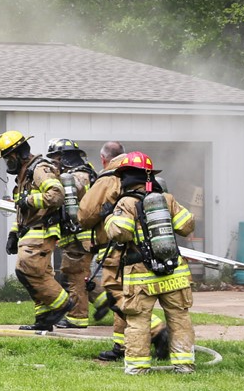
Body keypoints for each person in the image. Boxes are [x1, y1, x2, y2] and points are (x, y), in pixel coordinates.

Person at [101, 152, 196, 374]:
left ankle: (137, 368)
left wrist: (109, 218)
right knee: (180, 318)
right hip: (174, 272)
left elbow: (121, 233)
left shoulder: (126, 202)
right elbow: (187, 226)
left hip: (142, 275)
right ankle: (184, 366)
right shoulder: (167, 199)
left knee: (138, 321)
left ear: (125, 177)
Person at [78, 142, 171, 361]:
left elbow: (84, 213)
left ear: (104, 159)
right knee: (127, 292)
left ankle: (157, 330)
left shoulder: (108, 178)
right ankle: (122, 345)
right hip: (147, 248)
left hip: (117, 247)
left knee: (115, 294)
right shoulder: (147, 178)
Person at [0, 130, 72, 331]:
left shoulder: (39, 169)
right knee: (39, 275)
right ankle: (43, 319)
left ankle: (63, 304)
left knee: (25, 271)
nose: (7, 164)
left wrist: (28, 200)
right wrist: (13, 233)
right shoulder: (24, 175)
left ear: (16, 154)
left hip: (42, 230)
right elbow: (22, 211)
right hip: (30, 230)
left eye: (7, 159)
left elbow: (56, 195)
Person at [46, 138, 96, 329]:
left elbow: (64, 199)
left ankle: (77, 317)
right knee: (81, 276)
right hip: (78, 235)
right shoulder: (87, 172)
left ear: (65, 158)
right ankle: (105, 303)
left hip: (79, 237)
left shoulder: (77, 177)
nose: (54, 164)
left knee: (74, 276)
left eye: (56, 159)